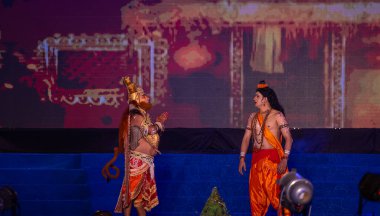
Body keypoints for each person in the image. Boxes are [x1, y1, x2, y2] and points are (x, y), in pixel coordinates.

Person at [102, 76, 168, 216]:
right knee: (130, 195)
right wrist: (159, 123)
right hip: (138, 162)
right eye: (143, 95)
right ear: (137, 100)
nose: (147, 97)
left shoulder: (142, 116)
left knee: (139, 200)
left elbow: (150, 136)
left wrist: (157, 124)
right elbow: (150, 130)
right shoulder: (136, 116)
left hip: (145, 162)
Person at [238, 80, 293, 216]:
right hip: (256, 162)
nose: (253, 99)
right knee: (256, 201)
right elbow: (246, 138)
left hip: (273, 162)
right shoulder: (252, 117)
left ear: (265, 99)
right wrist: (242, 157)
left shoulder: (278, 115)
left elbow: (289, 138)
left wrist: (285, 159)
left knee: (279, 199)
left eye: (257, 96)